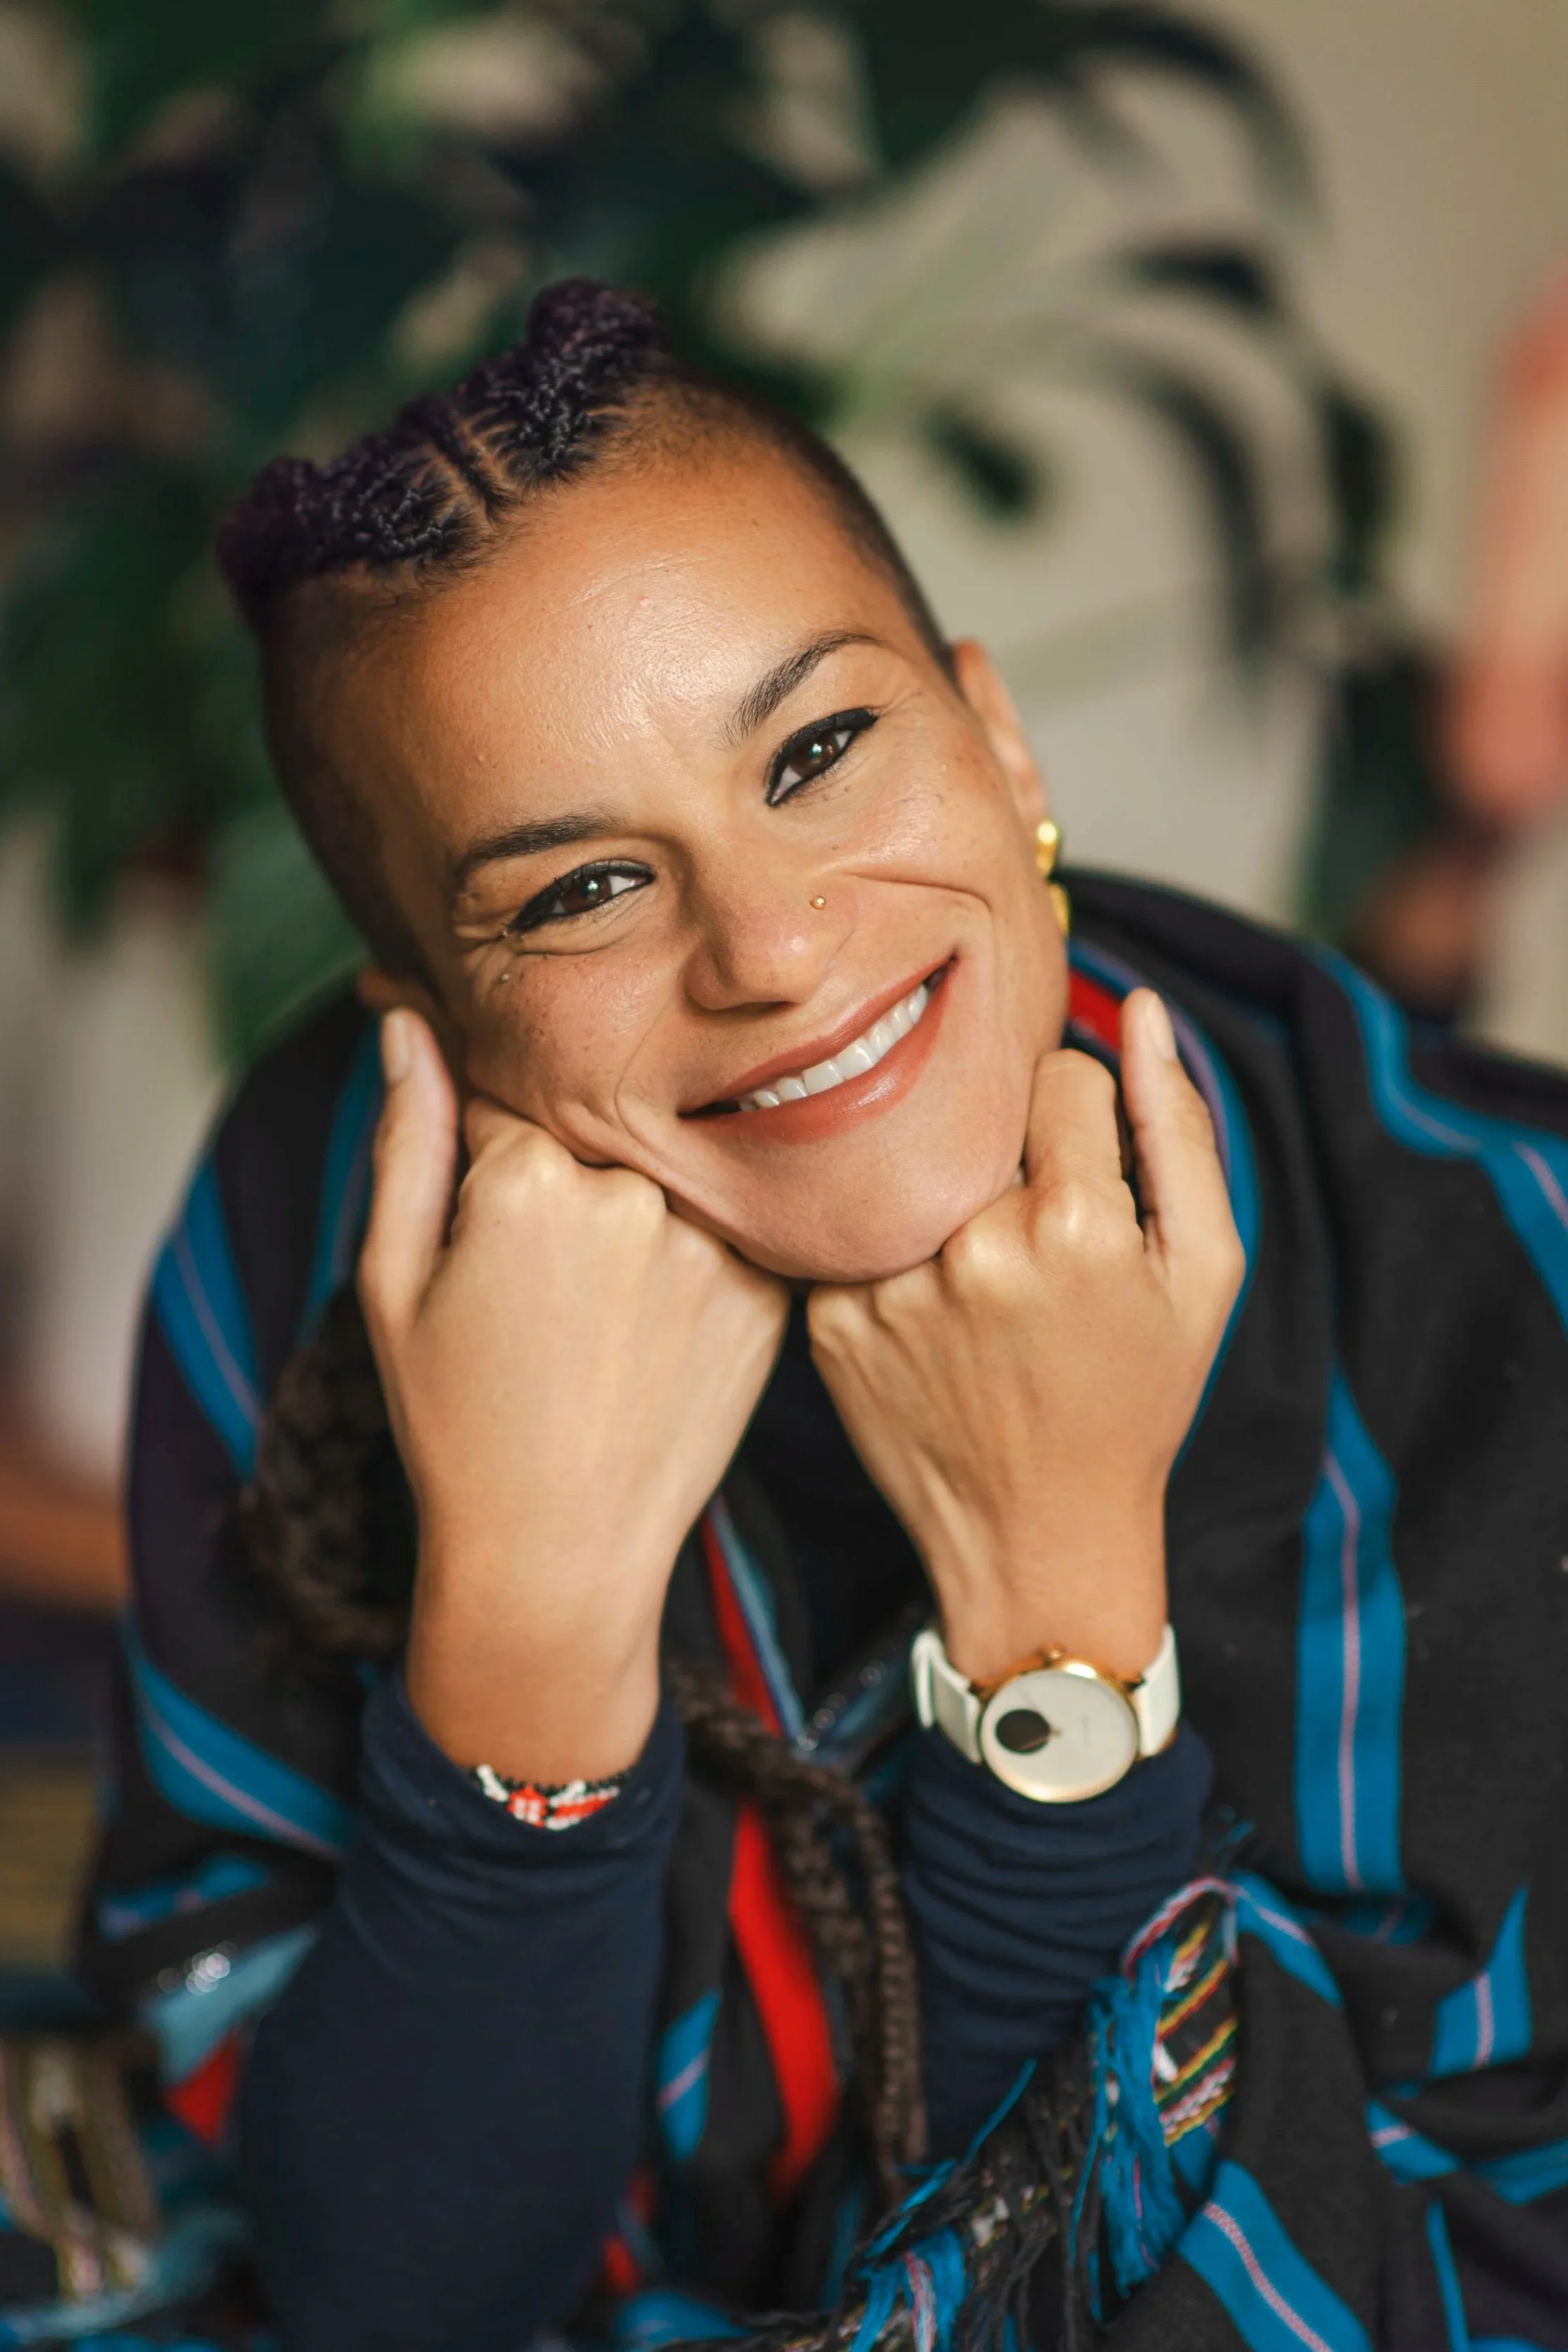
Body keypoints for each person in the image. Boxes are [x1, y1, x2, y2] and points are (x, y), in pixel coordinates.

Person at [27, 281, 1568, 2351]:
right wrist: (532, 1624)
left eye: (822, 750)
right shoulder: (306, 1254)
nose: (771, 947)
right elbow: (386, 2294)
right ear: (425, 1017)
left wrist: (1057, 1627)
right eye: (577, 889)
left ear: (992, 731)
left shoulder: (1495, 1261)